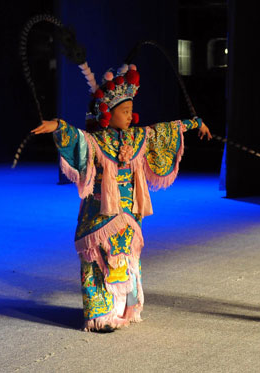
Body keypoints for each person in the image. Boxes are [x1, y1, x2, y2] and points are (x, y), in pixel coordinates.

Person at [32, 63, 212, 332]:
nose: (130, 116)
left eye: (130, 111)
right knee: (97, 259)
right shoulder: (95, 140)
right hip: (100, 212)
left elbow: (164, 129)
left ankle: (125, 310)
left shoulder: (138, 136)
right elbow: (75, 138)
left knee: (126, 257)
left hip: (129, 212)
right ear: (108, 113)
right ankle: (101, 316)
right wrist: (58, 125)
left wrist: (195, 123)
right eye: (124, 111)